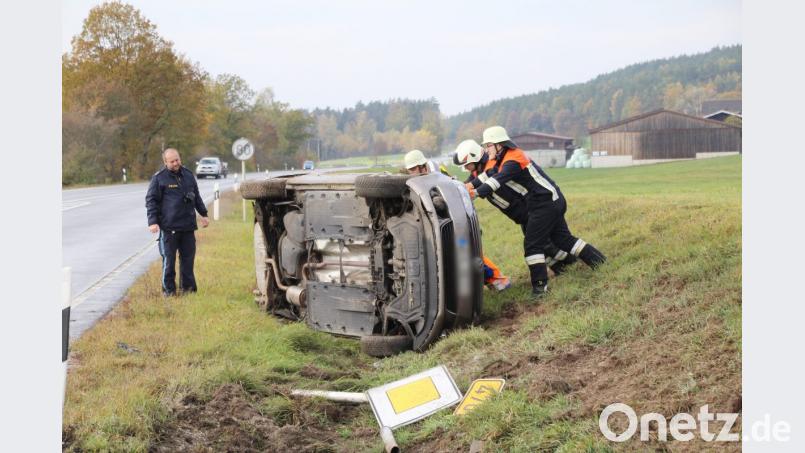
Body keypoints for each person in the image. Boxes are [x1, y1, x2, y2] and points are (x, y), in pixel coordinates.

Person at [459, 127, 606, 297]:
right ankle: (600, 262)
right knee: (564, 239)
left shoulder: (513, 159)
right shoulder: (503, 158)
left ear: (499, 145)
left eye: (489, 145)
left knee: (532, 246)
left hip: (543, 203)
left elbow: (497, 181)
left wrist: (475, 193)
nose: (486, 149)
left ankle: (540, 289)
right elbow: (487, 175)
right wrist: (466, 187)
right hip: (550, 199)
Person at [454, 139, 578, 278]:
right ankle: (560, 269)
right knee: (541, 244)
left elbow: (486, 182)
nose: (466, 169)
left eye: (467, 165)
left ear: (475, 157)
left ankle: (571, 262)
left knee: (544, 243)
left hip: (529, 209)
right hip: (520, 214)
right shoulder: (478, 172)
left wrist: (474, 191)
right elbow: (471, 183)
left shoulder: (493, 166)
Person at [403, 149, 511, 291]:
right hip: (443, 223)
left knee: (467, 252)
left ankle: (497, 279)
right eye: (409, 170)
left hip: (459, 219)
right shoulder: (418, 177)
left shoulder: (435, 173)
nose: (412, 172)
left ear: (422, 165)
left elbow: (446, 197)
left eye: (413, 169)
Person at [146, 148, 210, 296]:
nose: (176, 163)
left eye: (177, 159)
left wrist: (203, 214)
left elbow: (196, 196)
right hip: (169, 228)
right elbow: (151, 201)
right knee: (169, 262)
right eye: (172, 161)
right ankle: (169, 291)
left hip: (188, 226)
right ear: (165, 162)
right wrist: (153, 221)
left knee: (188, 261)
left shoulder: (188, 175)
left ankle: (188, 290)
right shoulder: (159, 178)